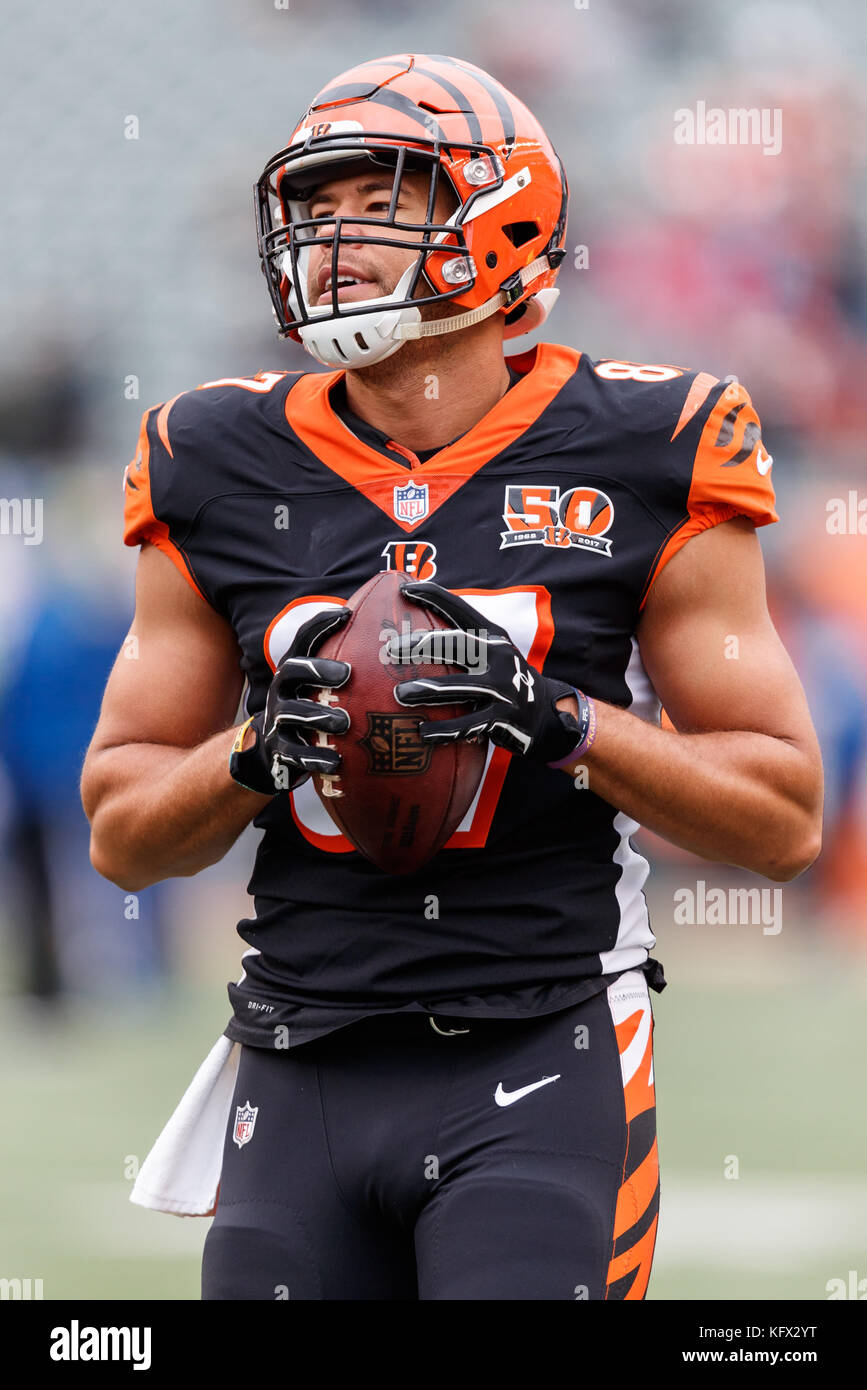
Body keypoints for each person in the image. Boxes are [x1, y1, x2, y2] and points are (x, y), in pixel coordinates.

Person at [81, 53, 823, 1301]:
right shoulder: (213, 456)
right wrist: (254, 753)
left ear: (505, 219)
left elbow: (786, 817)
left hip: (546, 1037)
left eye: (382, 194)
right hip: (300, 1048)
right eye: (313, 207)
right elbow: (121, 831)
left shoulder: (647, 443)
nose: (333, 237)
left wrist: (558, 718)